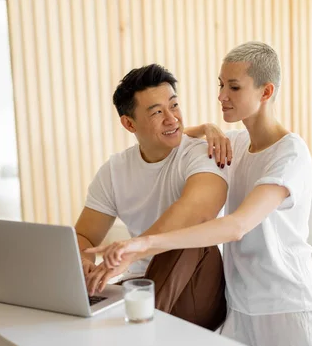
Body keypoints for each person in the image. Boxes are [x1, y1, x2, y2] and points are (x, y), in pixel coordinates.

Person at [87, 42, 312, 346]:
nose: (221, 96)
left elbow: (236, 226)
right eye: (220, 84)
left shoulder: (289, 155)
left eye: (234, 87)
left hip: (288, 309)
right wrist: (205, 128)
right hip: (240, 311)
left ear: (266, 91)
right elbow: (165, 136)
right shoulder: (237, 144)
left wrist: (141, 244)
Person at [77, 64, 231, 330]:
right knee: (98, 295)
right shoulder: (114, 171)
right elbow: (85, 237)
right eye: (157, 112)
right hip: (140, 283)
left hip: (198, 288)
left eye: (174, 105)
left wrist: (132, 250)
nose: (172, 119)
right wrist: (84, 262)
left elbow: (199, 210)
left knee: (191, 236)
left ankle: (139, 330)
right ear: (129, 123)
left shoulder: (200, 152)